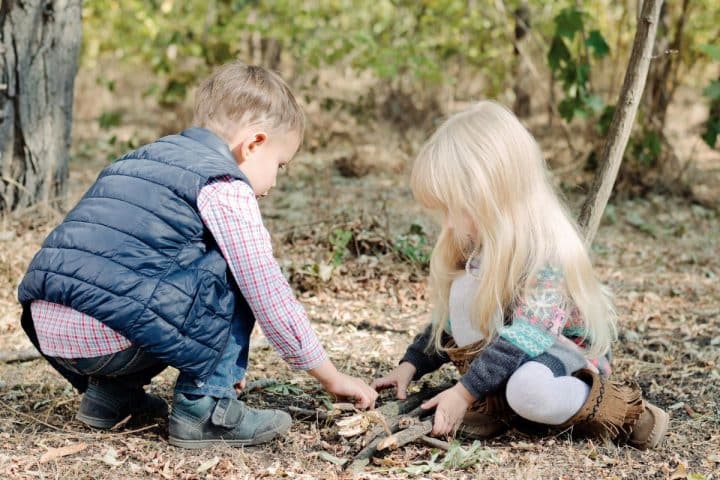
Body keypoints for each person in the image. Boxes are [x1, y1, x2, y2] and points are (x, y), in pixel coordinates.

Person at [18, 62, 377, 449]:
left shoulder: (140, 158)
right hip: (113, 338)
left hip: (49, 329)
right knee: (241, 268)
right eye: (280, 166)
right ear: (253, 144)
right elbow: (267, 291)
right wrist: (330, 376)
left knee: (144, 271)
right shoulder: (222, 182)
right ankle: (208, 409)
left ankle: (110, 396)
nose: (274, 183)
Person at [372, 101, 669, 449]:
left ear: (494, 196)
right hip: (515, 352)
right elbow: (451, 319)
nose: (449, 223)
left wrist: (463, 392)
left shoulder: (548, 251)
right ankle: (494, 404)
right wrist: (412, 364)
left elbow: (528, 336)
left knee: (528, 391)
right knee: (466, 285)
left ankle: (620, 413)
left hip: (565, 353)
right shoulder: (480, 245)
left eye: (456, 208)